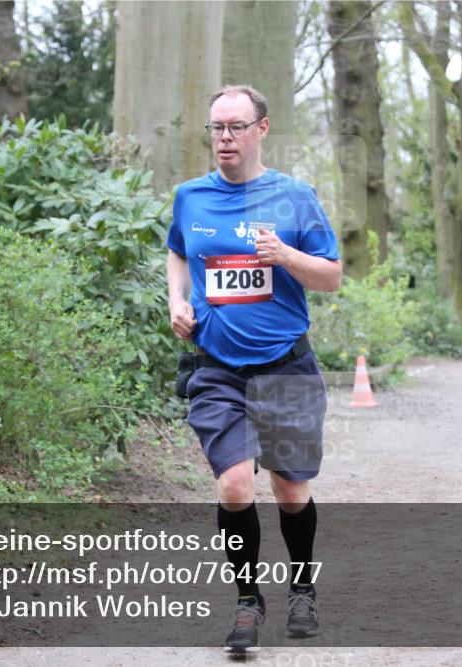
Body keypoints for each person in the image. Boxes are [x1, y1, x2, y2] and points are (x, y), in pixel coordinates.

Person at [165, 85, 342, 654]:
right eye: (217, 128)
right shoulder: (190, 197)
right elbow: (176, 250)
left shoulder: (294, 197)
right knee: (235, 483)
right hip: (217, 367)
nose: (225, 138)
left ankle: (302, 587)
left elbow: (332, 275)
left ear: (261, 130)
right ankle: (247, 601)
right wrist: (177, 299)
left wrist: (286, 257)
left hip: (286, 367)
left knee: (291, 492)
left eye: (236, 127)